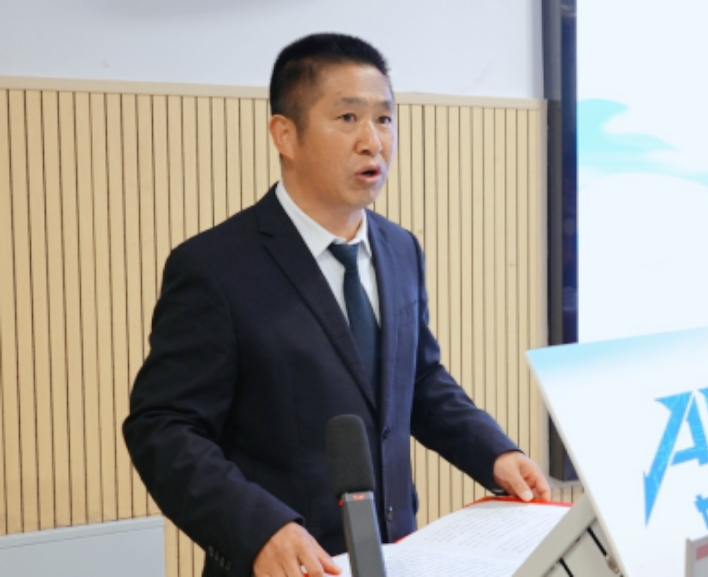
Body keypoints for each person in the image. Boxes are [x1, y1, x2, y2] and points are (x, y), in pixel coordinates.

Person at [123, 33, 550, 577]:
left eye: (384, 119)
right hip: (288, 565)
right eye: (348, 118)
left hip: (394, 557)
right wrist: (258, 529)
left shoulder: (399, 248)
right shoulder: (215, 266)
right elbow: (164, 427)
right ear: (285, 135)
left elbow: (418, 378)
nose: (373, 141)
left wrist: (494, 453)